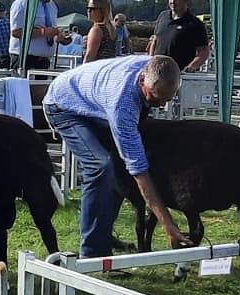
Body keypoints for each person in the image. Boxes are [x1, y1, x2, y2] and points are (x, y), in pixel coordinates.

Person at [43, 55, 190, 260]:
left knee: (118, 166)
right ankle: (94, 254)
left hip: (93, 101)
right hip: (63, 105)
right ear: (141, 81)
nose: (159, 105)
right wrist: (167, 222)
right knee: (100, 165)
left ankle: (102, 235)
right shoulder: (124, 103)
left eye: (167, 99)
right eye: (154, 98)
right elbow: (138, 169)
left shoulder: (157, 67)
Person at [9, 0, 70, 71]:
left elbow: (51, 29)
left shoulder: (52, 6)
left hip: (44, 60)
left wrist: (60, 36)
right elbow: (16, 32)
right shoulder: (22, 4)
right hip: (24, 59)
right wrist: (43, 32)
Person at [148, 0, 209, 71]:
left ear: (186, 0)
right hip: (157, 72)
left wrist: (192, 66)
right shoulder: (162, 16)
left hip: (179, 74)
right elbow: (155, 40)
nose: (173, 2)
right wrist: (149, 61)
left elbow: (204, 51)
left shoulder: (195, 24)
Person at [82, 0, 117, 64]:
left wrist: (81, 72)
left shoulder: (96, 30)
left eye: (92, 8)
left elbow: (90, 56)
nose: (89, 11)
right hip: (107, 68)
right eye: (88, 8)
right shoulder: (111, 29)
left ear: (102, 11)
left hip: (95, 69)